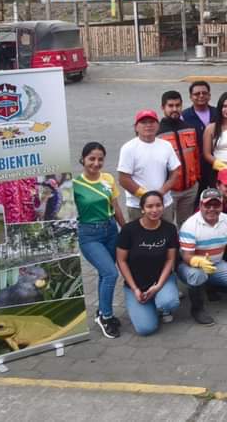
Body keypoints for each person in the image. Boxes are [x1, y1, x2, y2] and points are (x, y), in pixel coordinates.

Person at [178, 187, 227, 326]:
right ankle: (197, 309)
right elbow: (186, 257)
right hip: (191, 266)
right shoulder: (190, 225)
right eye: (207, 205)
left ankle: (209, 284)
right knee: (197, 275)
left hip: (217, 263)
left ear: (222, 205)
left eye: (216, 205)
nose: (212, 209)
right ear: (200, 205)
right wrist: (199, 261)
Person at [73, 141, 125, 339]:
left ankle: (102, 311)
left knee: (105, 274)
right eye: (91, 159)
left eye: (100, 159)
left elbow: (116, 207)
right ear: (83, 159)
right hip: (89, 234)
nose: (96, 163)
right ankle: (106, 316)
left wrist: (125, 229)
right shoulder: (74, 185)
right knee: (111, 273)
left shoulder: (108, 178)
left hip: (111, 230)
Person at [115, 191, 180, 336]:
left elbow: (170, 259)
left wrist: (158, 286)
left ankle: (162, 305)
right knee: (146, 329)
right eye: (149, 206)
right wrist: (134, 289)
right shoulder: (129, 230)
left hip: (161, 280)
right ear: (142, 209)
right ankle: (147, 303)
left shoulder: (169, 229)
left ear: (163, 206)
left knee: (169, 302)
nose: (154, 210)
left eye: (158, 205)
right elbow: (121, 260)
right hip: (137, 284)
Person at [117, 109, 181, 225]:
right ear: (136, 127)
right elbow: (123, 179)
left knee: (166, 233)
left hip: (164, 204)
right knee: (139, 235)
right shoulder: (128, 148)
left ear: (158, 126)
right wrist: (146, 197)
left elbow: (175, 171)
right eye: (144, 122)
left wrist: (161, 192)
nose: (148, 125)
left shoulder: (166, 145)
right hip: (138, 206)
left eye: (151, 122)